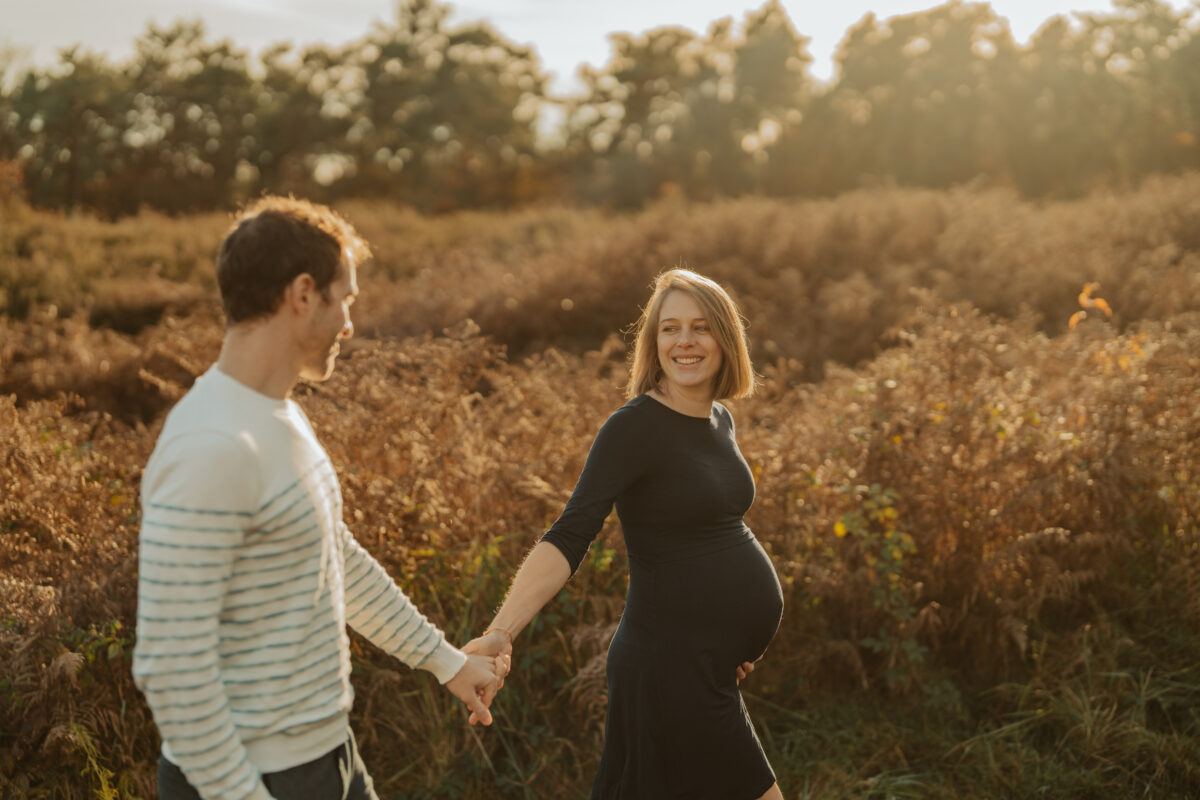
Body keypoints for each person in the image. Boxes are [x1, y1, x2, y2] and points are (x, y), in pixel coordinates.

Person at [132, 196, 507, 800]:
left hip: (326, 756)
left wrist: (448, 663)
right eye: (346, 300)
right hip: (252, 779)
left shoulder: (280, 417)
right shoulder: (211, 444)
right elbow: (170, 667)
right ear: (303, 294)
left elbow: (335, 559)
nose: (351, 324)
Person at [466, 268, 785, 799]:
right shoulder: (632, 429)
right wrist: (502, 631)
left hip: (703, 665)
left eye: (701, 327)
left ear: (726, 339)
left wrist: (727, 637)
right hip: (666, 669)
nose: (684, 341)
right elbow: (570, 534)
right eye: (669, 328)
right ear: (653, 342)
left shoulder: (720, 420)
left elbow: (708, 530)